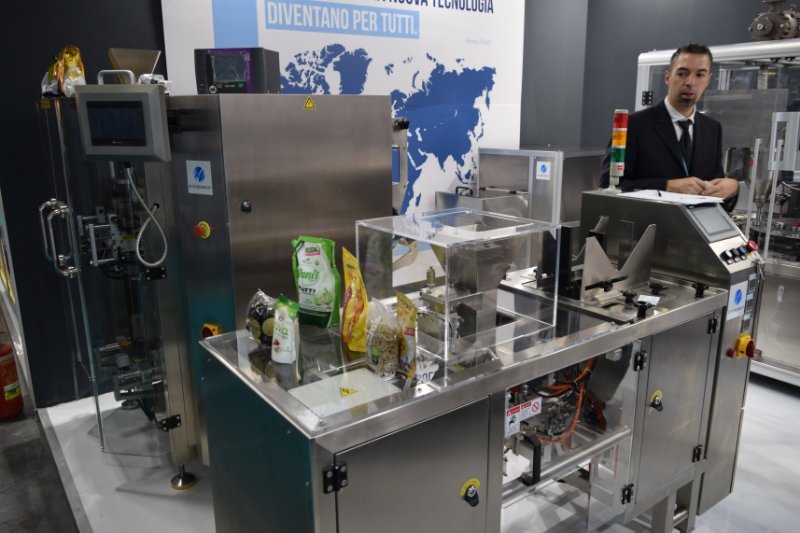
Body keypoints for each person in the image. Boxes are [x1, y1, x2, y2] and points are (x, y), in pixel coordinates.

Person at [600, 43, 739, 210]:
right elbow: (608, 185)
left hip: (697, 225)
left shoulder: (712, 129)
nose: (690, 82)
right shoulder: (635, 126)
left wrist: (732, 188)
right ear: (667, 77)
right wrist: (666, 186)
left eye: (699, 75)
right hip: (649, 223)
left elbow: (716, 187)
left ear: (708, 80)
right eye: (682, 73)